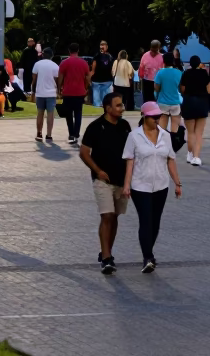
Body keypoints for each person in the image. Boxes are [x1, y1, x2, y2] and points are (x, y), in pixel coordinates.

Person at [121, 100, 181, 272]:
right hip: (140, 186)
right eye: (153, 116)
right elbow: (130, 162)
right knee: (146, 220)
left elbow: (170, 160)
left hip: (161, 186)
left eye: (158, 116)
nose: (157, 119)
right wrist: (126, 185)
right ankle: (148, 256)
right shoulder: (134, 136)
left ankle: (148, 252)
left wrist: (177, 183)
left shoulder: (165, 135)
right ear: (144, 117)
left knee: (155, 222)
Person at [80, 91, 132, 275]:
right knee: (107, 215)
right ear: (107, 108)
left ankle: (105, 252)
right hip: (102, 180)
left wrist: (129, 178)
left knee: (115, 216)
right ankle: (107, 258)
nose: (122, 108)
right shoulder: (95, 127)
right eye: (118, 105)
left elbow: (131, 153)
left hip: (121, 179)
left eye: (122, 105)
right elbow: (84, 153)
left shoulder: (125, 126)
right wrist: (98, 171)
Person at [180, 55, 210, 166]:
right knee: (199, 132)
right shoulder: (204, 73)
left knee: (190, 132)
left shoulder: (186, 73)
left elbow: (182, 89)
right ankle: (196, 157)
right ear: (199, 63)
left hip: (189, 102)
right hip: (202, 103)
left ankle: (189, 153)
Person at [59, 42, 91, 144]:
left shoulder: (64, 63)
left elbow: (60, 77)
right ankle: (76, 133)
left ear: (69, 51)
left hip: (68, 92)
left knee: (68, 114)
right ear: (78, 50)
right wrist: (86, 88)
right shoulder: (84, 63)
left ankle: (71, 134)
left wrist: (59, 88)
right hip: (79, 92)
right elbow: (88, 77)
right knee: (78, 113)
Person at [31, 46, 60, 142]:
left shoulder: (37, 64)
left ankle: (39, 133)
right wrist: (58, 91)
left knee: (40, 113)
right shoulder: (55, 66)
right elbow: (57, 81)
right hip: (51, 93)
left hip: (40, 93)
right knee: (50, 114)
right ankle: (49, 135)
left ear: (43, 55)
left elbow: (34, 81)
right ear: (51, 56)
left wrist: (33, 93)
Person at [154, 54, 183, 133]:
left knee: (161, 130)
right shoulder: (179, 73)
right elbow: (181, 88)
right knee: (175, 130)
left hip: (163, 102)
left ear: (164, 61)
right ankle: (173, 143)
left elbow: (156, 88)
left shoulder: (160, 73)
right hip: (176, 102)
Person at [90, 40, 114, 109]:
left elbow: (112, 68)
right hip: (97, 80)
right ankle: (97, 108)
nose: (102, 46)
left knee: (105, 98)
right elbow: (93, 68)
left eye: (104, 45)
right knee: (97, 99)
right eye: (101, 45)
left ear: (107, 47)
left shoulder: (110, 56)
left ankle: (104, 107)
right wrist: (91, 76)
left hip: (107, 80)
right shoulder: (97, 56)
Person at [138, 40, 164, 105]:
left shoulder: (162, 56)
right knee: (147, 99)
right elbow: (141, 68)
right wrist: (141, 77)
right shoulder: (145, 55)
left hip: (158, 81)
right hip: (147, 81)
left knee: (156, 100)